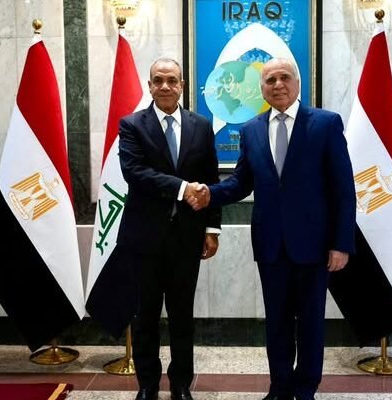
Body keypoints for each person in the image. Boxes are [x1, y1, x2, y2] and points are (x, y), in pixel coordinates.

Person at [188, 58, 355, 400]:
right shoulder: (251, 130)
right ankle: (279, 387)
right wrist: (209, 194)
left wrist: (341, 244)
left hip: (313, 246)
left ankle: (305, 389)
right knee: (276, 322)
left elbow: (343, 189)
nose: (278, 84)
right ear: (261, 88)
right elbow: (240, 182)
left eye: (284, 78)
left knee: (310, 323)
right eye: (270, 80)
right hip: (270, 245)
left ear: (297, 83)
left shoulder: (326, 124)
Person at [117, 57, 221, 400]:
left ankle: (180, 383)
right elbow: (134, 173)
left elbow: (210, 178)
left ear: (182, 85)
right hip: (143, 240)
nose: (165, 86)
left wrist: (212, 228)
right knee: (144, 316)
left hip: (186, 240)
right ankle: (147, 384)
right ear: (149, 86)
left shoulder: (201, 126)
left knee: (182, 316)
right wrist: (182, 188)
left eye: (172, 80)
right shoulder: (132, 125)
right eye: (158, 80)